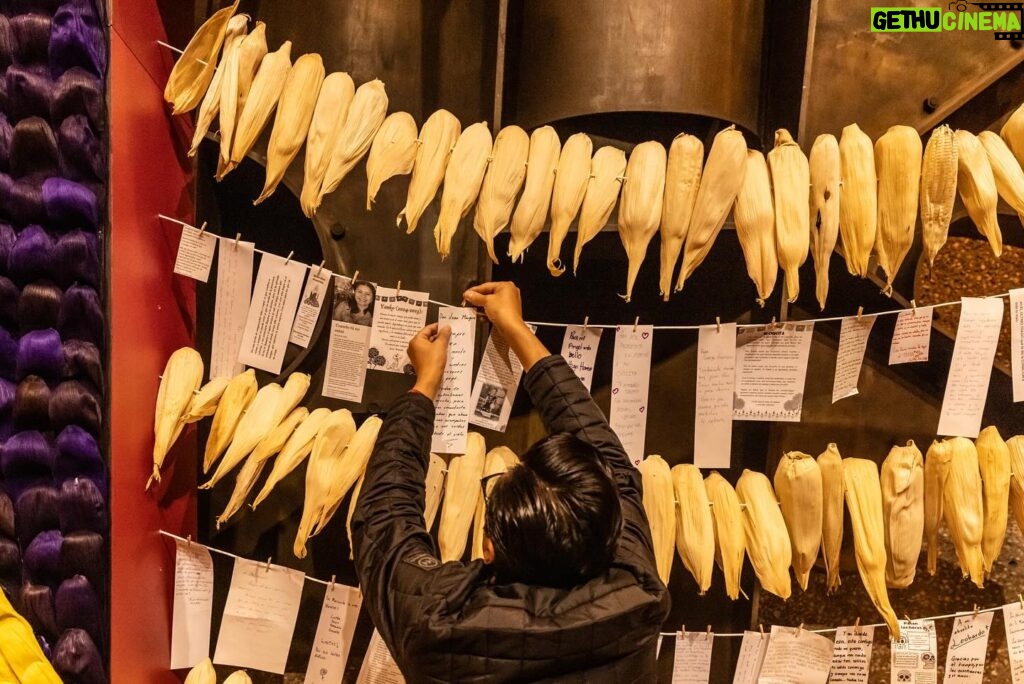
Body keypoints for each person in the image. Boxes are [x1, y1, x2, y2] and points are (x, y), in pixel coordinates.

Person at [351, 281, 669, 683]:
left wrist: (423, 387)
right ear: (609, 533)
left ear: (487, 550)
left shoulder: (437, 624)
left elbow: (384, 517)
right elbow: (612, 465)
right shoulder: (637, 595)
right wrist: (517, 331)